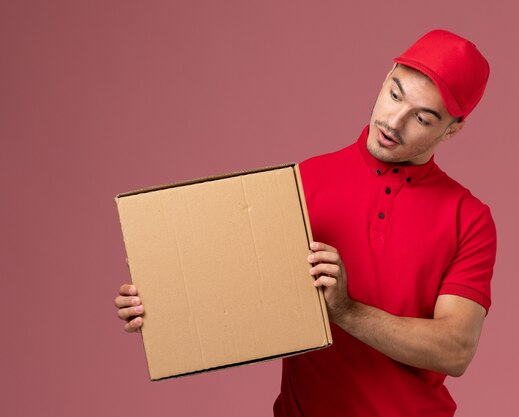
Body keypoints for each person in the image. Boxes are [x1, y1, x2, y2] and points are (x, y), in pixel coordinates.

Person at [115, 29, 497, 416]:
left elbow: (455, 349)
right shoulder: (301, 182)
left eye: (422, 117)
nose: (394, 122)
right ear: (386, 77)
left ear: (452, 129)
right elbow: (235, 292)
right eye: (395, 94)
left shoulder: (469, 219)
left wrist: (346, 310)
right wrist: (162, 301)